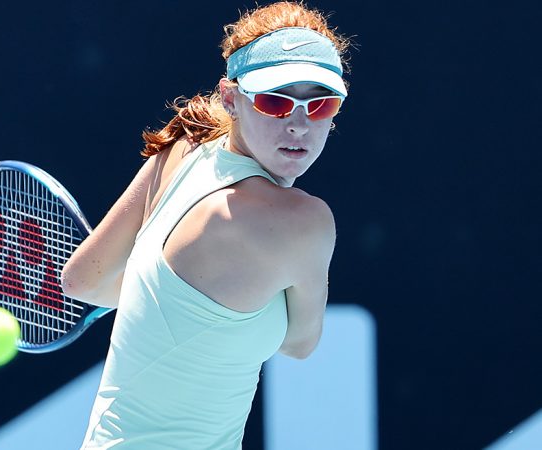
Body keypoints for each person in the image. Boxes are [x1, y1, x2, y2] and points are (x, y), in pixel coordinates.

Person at [62, 1, 352, 448]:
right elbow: (299, 343)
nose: (298, 124)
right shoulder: (302, 222)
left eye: (320, 104)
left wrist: (162, 305)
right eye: (275, 101)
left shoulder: (184, 144)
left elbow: (83, 280)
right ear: (231, 97)